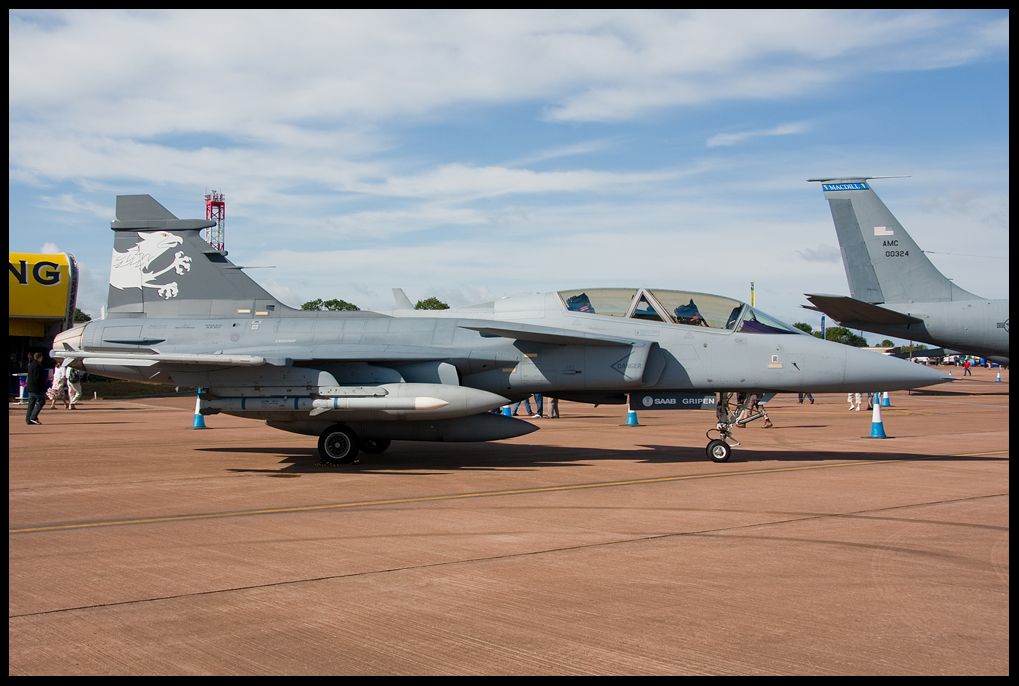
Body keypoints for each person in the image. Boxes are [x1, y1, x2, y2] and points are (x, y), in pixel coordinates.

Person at [25, 352, 47, 425]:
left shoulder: (31, 365)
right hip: (36, 388)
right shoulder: (38, 366)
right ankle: (33, 417)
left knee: (31, 403)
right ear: (39, 358)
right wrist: (43, 387)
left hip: (30, 387)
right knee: (41, 401)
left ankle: (28, 419)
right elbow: (37, 378)